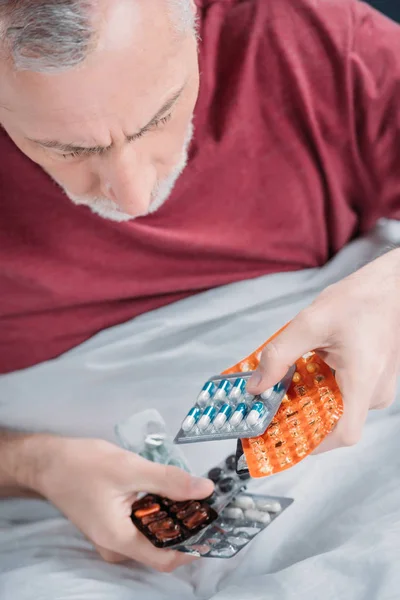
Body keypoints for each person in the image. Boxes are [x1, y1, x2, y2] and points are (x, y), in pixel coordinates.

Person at [0, 0, 399, 573]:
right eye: (69, 151)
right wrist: (33, 466)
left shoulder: (298, 36)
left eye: (159, 116)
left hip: (360, 466)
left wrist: (392, 284)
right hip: (54, 528)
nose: (131, 197)